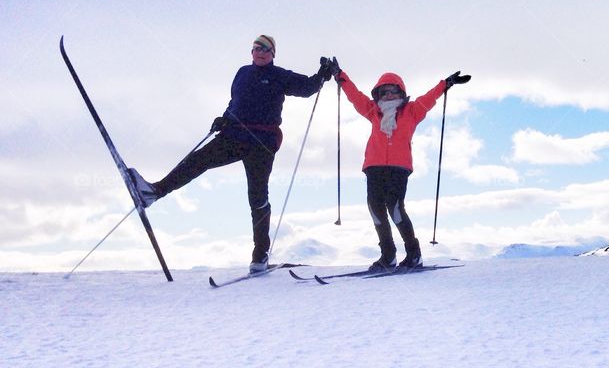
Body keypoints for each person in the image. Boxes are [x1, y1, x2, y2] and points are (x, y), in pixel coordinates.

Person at [128, 35, 334, 272]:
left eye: (266, 49)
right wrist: (224, 118)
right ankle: (153, 192)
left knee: (257, 196)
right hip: (234, 134)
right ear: (251, 51)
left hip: (262, 142)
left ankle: (260, 256)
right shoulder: (242, 73)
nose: (260, 51)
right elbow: (235, 102)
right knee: (197, 160)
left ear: (273, 54)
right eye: (257, 47)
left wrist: (322, 74)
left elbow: (307, 88)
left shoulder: (279, 75)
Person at [329, 58, 470, 271]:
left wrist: (446, 83)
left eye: (393, 91)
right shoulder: (372, 111)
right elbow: (355, 96)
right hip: (374, 167)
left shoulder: (413, 111)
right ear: (378, 94)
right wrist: (339, 74)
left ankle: (414, 255)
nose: (388, 95)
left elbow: (430, 97)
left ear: (401, 93)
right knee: (376, 209)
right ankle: (388, 256)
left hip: (398, 168)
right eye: (384, 92)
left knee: (395, 208)